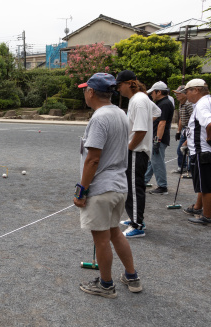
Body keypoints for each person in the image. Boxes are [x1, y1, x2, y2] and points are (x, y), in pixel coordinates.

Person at [74, 73, 142, 298]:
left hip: (102, 187)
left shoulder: (99, 118)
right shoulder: (120, 113)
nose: (84, 93)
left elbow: (93, 159)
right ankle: (132, 277)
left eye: (85, 89)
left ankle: (106, 285)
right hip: (119, 186)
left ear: (91, 92)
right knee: (115, 233)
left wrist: (81, 190)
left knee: (102, 239)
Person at [116, 70, 161, 238]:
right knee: (132, 186)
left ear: (129, 83)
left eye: (119, 85)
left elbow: (141, 130)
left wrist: (128, 148)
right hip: (137, 149)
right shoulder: (141, 98)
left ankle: (137, 224)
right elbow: (157, 113)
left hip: (136, 151)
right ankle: (134, 217)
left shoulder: (139, 101)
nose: (118, 89)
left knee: (135, 188)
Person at [181, 79, 211, 226]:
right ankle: (198, 207)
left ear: (196, 90)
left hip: (203, 152)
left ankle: (207, 217)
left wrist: (209, 138)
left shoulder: (201, 105)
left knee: (207, 187)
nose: (186, 95)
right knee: (204, 184)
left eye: (187, 91)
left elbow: (210, 123)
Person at [144, 81, 174, 195]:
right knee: (153, 162)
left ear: (159, 92)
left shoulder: (164, 104)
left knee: (157, 162)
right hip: (159, 137)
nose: (151, 95)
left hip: (159, 138)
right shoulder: (164, 103)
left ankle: (162, 186)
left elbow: (162, 123)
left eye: (153, 92)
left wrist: (157, 140)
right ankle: (143, 181)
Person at [172, 86, 194, 175]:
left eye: (178, 93)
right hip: (185, 129)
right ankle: (182, 167)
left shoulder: (189, 104)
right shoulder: (181, 103)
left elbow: (194, 118)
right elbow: (181, 118)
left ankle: (190, 169)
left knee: (189, 149)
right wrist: (178, 131)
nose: (176, 95)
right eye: (175, 93)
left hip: (190, 129)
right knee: (180, 150)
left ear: (185, 94)